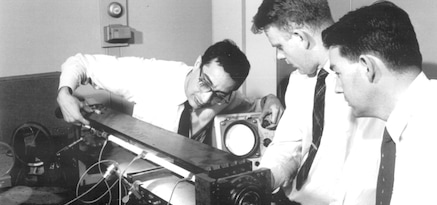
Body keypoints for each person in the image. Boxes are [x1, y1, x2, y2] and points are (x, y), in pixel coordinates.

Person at [251, 0, 385, 205]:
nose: (280, 56)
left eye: (280, 46)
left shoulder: (360, 80)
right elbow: (287, 146)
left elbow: (366, 184)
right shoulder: (299, 80)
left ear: (300, 37)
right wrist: (261, 181)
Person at [322, 1, 437, 205]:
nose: (337, 88)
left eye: (338, 73)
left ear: (367, 67)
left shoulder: (429, 135)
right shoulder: (405, 123)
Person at [57, 39, 284, 143]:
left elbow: (255, 105)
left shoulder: (227, 98)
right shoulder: (149, 75)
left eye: (219, 94)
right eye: (205, 82)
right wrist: (64, 94)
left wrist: (271, 100)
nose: (206, 98)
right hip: (143, 176)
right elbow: (81, 63)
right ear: (197, 64)